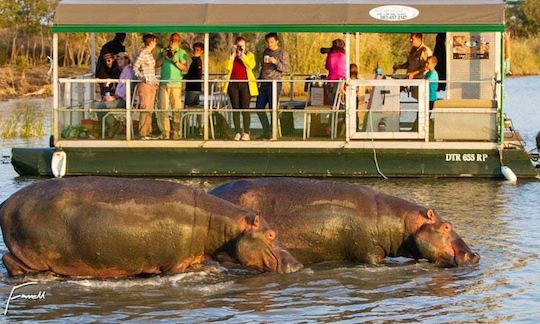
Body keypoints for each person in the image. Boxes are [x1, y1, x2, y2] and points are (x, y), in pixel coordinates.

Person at [255, 33, 290, 140]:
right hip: (264, 82)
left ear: (276, 41)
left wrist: (275, 62)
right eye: (268, 42)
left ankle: (273, 133)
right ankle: (266, 131)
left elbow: (287, 69)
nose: (269, 44)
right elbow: (263, 67)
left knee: (273, 108)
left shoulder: (282, 53)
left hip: (275, 83)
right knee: (259, 107)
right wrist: (259, 79)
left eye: (271, 42)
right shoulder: (266, 51)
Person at [224, 36, 258, 141]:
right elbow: (227, 68)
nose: (240, 48)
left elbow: (251, 65)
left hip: (246, 84)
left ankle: (246, 132)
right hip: (233, 84)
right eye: (238, 46)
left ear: (245, 46)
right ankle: (238, 131)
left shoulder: (250, 55)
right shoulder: (232, 56)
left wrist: (242, 55)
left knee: (245, 108)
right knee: (236, 108)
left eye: (242, 46)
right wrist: (233, 56)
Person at [155, 33, 189, 139]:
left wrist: (174, 60)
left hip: (176, 84)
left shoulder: (182, 52)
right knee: (162, 108)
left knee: (176, 109)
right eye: (171, 40)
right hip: (164, 83)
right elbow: (156, 65)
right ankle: (165, 132)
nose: (172, 42)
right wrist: (164, 56)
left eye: (175, 40)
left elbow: (184, 68)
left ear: (178, 42)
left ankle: (176, 132)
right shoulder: (162, 51)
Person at [96, 52, 136, 138]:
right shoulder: (123, 71)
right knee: (102, 102)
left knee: (99, 106)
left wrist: (113, 97)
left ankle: (114, 124)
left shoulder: (128, 71)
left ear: (127, 60)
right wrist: (111, 96)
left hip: (124, 100)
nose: (119, 60)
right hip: (120, 98)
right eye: (118, 59)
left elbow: (126, 89)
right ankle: (112, 125)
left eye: (121, 58)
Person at [133, 34, 158, 140]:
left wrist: (155, 81)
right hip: (145, 85)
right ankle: (143, 132)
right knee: (145, 107)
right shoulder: (143, 53)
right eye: (155, 42)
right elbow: (135, 67)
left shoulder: (149, 54)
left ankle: (148, 131)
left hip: (152, 84)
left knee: (150, 108)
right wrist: (141, 77)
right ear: (151, 42)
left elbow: (151, 70)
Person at [185, 42, 204, 107]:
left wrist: (187, 77)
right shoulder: (194, 61)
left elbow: (198, 75)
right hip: (193, 88)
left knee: (189, 107)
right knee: (194, 107)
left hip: (192, 88)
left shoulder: (197, 61)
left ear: (202, 51)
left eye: (197, 50)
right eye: (194, 49)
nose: (195, 51)